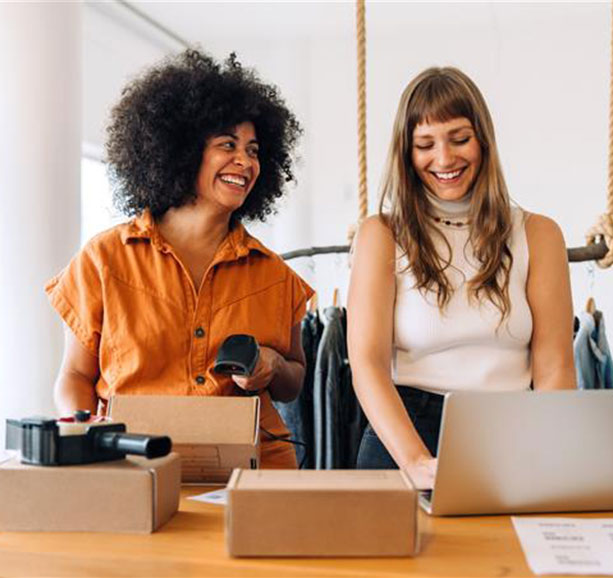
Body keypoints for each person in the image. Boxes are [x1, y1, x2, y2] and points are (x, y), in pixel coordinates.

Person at [46, 50, 313, 468]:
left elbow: (292, 382)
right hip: (132, 464)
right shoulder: (103, 260)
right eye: (228, 145)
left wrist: (273, 365)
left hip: (250, 469)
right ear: (184, 150)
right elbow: (76, 376)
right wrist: (84, 443)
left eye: (254, 150)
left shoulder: (275, 276)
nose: (245, 162)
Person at [347, 67, 576, 488]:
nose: (445, 159)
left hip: (514, 429)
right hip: (407, 431)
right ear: (406, 152)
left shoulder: (539, 234)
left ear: (483, 140)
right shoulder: (381, 235)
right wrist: (416, 461)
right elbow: (367, 364)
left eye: (459, 139)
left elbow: (556, 367)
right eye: (425, 144)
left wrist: (551, 451)